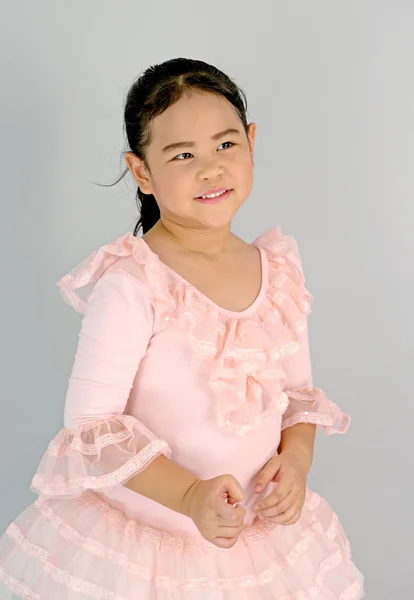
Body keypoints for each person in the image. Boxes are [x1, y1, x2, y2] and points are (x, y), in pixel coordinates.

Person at [0, 57, 364, 599]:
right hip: (149, 544)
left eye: (225, 145)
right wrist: (190, 495)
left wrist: (296, 461)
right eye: (183, 155)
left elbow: (298, 397)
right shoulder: (133, 284)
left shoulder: (278, 270)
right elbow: (91, 430)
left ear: (251, 142)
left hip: (255, 537)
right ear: (142, 171)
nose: (212, 169)